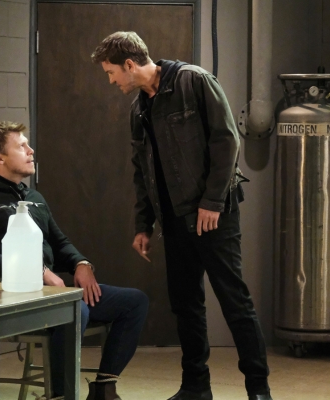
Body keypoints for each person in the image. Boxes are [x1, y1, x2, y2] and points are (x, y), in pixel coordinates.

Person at [91, 32, 272, 400]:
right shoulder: (138, 110)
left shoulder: (193, 81)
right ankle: (195, 387)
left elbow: (227, 141)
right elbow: (142, 171)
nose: (111, 81)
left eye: (111, 72)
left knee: (234, 302)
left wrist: (212, 201)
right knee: (186, 306)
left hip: (214, 214)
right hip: (174, 220)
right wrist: (143, 225)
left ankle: (258, 389)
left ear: (130, 64)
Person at [0, 121, 149, 400]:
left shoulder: (34, 197)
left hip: (50, 294)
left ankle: (104, 387)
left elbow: (60, 243)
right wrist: (39, 271)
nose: (31, 150)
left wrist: (81, 264)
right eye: (22, 146)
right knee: (76, 310)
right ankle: (60, 396)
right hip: (12, 298)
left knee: (134, 301)